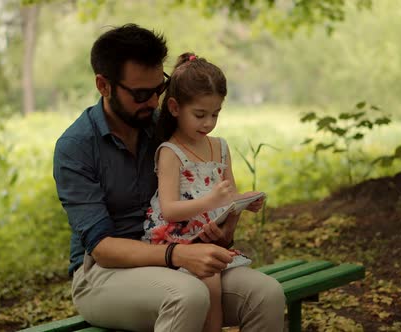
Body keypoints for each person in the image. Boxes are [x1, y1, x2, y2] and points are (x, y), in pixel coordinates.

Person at [53, 23, 285, 332]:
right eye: (140, 94)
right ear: (103, 85)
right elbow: (102, 248)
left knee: (267, 294)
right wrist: (179, 254)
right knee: (187, 296)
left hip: (178, 253)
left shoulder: (164, 126)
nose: (153, 102)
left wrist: (219, 230)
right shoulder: (77, 147)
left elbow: (201, 187)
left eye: (159, 89)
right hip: (104, 274)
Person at [142, 52, 263, 332]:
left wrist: (244, 201)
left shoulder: (220, 147)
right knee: (210, 282)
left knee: (230, 279)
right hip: (174, 242)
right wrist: (210, 200)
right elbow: (170, 209)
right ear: (174, 107)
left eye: (215, 114)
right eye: (200, 115)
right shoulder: (170, 153)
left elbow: (227, 198)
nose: (208, 123)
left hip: (208, 240)